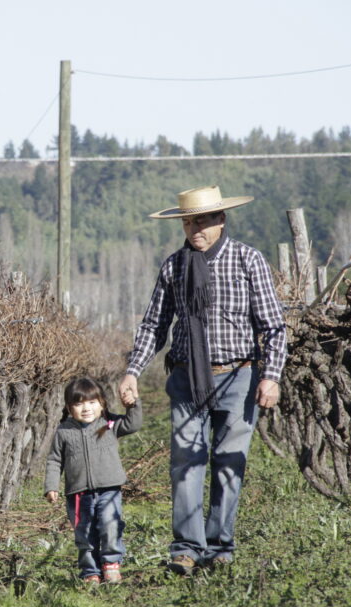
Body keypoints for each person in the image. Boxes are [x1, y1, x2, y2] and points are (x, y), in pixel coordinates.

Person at [117, 185, 286, 576]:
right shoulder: (174, 266)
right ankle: (187, 549)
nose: (195, 229)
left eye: (203, 221)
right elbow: (155, 325)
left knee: (230, 463)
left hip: (239, 377)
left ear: (221, 220)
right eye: (189, 221)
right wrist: (133, 370)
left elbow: (274, 327)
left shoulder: (248, 261)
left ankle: (220, 546)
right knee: (186, 463)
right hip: (186, 379)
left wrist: (272, 377)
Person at [45, 377, 142, 584]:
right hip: (78, 494)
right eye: (79, 404)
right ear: (69, 407)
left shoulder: (109, 423)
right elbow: (54, 460)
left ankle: (111, 564)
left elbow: (133, 424)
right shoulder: (64, 431)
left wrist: (133, 404)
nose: (86, 408)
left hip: (109, 489)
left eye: (91, 402)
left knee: (110, 524)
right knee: (84, 533)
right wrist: (51, 486)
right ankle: (90, 571)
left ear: (102, 404)